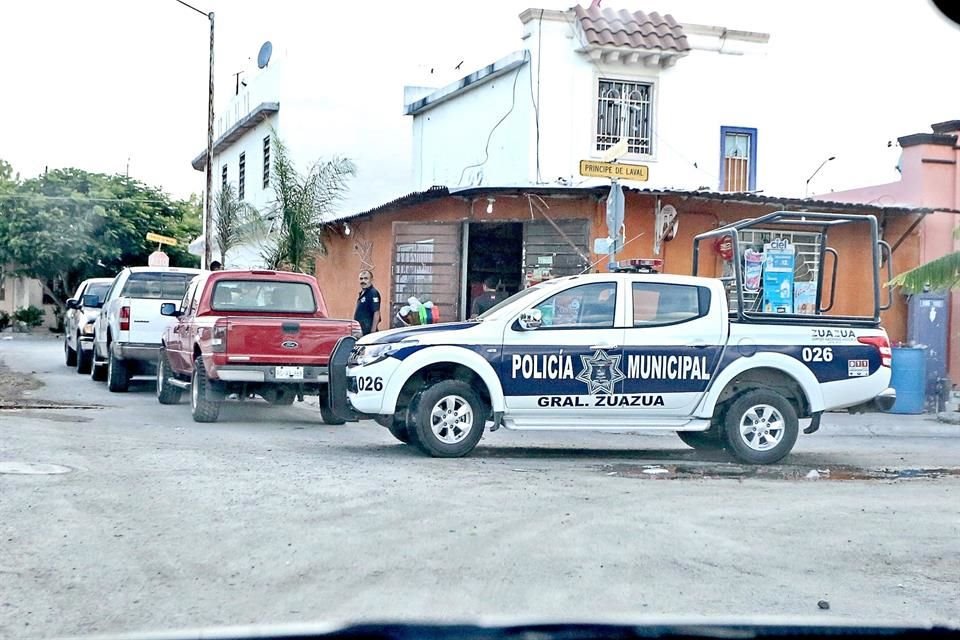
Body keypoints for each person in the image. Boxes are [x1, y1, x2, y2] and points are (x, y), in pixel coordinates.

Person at [354, 269, 381, 335]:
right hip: (361, 330)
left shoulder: (373, 293)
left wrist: (373, 332)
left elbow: (376, 313)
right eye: (361, 279)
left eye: (366, 278)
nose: (363, 281)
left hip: (368, 332)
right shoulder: (362, 293)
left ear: (371, 280)